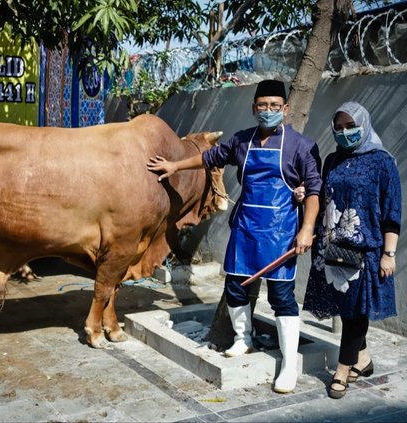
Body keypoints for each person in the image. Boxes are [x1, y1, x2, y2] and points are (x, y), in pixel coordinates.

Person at [147, 79, 322, 393]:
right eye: (262, 105)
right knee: (236, 288)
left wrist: (307, 229)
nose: (268, 111)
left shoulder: (301, 146)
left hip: (280, 232)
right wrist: (175, 165)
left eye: (274, 106)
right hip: (245, 229)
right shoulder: (242, 140)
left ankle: (288, 364)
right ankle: (244, 339)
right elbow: (209, 158)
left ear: (285, 109)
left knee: (282, 297)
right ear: (254, 108)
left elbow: (313, 191)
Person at [301, 101, 402, 399]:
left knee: (357, 312)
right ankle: (363, 359)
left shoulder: (383, 162)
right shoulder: (331, 160)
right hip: (332, 249)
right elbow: (322, 195)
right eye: (339, 127)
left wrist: (389, 253)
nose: (345, 132)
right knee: (346, 311)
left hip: (367, 251)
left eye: (351, 126)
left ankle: (343, 370)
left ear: (364, 125)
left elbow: (392, 210)